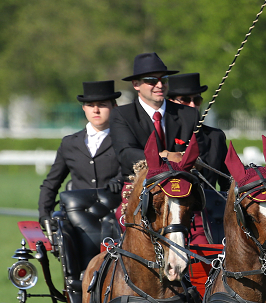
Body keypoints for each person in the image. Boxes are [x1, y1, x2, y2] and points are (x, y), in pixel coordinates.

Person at [110, 53, 201, 207]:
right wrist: (166, 156)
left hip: (183, 190)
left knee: (198, 229)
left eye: (163, 79)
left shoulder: (188, 114)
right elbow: (126, 153)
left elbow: (199, 150)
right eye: (152, 81)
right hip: (138, 190)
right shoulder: (122, 115)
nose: (160, 85)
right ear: (136, 84)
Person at [37, 80, 122, 224]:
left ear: (114, 107)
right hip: (77, 218)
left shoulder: (124, 139)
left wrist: (119, 179)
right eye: (90, 105)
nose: (96, 110)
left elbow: (135, 169)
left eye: (102, 105)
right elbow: (51, 183)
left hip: (116, 216)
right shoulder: (69, 143)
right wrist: (44, 214)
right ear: (84, 108)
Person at [166, 72, 231, 245]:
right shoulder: (162, 135)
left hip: (209, 216)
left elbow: (228, 182)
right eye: (185, 100)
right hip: (171, 217)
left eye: (197, 100)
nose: (192, 105)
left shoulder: (215, 137)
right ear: (171, 102)